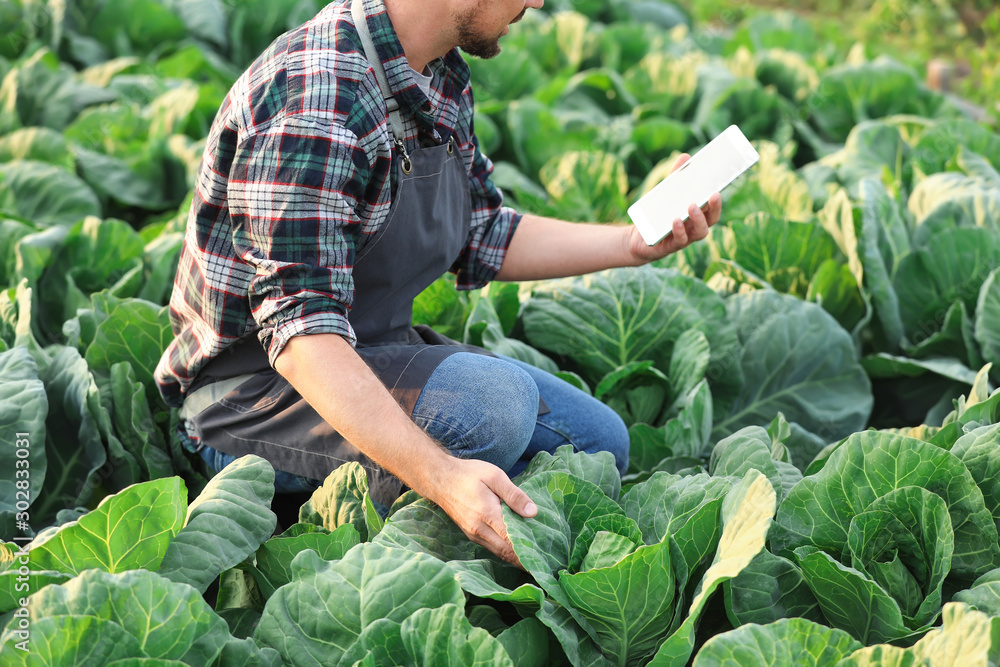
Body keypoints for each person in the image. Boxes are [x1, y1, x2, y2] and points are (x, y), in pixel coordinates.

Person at [153, 0, 722, 566]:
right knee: (495, 410)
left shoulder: (438, 70)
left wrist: (629, 244)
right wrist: (443, 478)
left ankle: (468, 516)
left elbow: (480, 229)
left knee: (600, 444)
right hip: (249, 404)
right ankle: (351, 529)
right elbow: (303, 340)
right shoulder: (315, 100)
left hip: (369, 353)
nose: (538, 3)